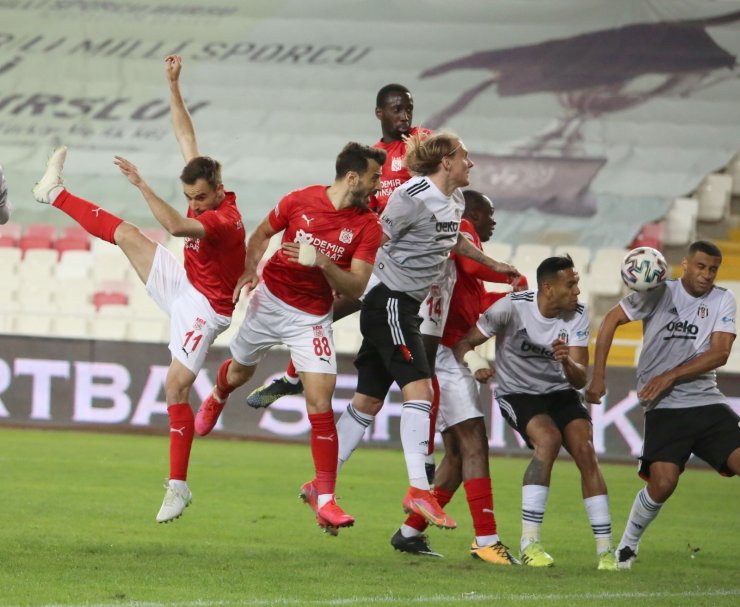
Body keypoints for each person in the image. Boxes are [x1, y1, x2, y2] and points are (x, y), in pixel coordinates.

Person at [30, 55, 247, 524]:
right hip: (187, 283)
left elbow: (173, 224)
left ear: (219, 190)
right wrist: (173, 84)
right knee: (128, 233)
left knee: (175, 386)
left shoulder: (223, 221)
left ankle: (178, 487)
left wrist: (143, 184)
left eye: (200, 197)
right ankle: (53, 193)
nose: (195, 202)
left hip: (206, 309)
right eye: (189, 195)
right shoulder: (205, 186)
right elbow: (185, 133)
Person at [331, 130, 518, 535]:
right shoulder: (411, 197)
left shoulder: (451, 200)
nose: (471, 164)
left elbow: (453, 242)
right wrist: (344, 276)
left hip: (403, 306)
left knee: (366, 401)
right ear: (446, 162)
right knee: (421, 390)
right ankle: (418, 488)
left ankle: (322, 485)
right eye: (465, 157)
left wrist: (496, 264)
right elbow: (377, 237)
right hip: (391, 302)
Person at [193, 142, 386, 533]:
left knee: (321, 400)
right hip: (269, 301)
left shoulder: (368, 226)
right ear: (353, 177)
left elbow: (357, 285)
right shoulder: (299, 201)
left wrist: (323, 261)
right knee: (238, 374)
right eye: (373, 177)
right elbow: (261, 234)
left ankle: (326, 499)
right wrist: (249, 270)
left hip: (311, 317)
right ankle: (217, 396)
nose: (378, 185)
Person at [244, 83, 432, 408]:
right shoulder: (373, 161)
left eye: (408, 109)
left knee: (424, 351)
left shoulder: (421, 143)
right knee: (323, 312)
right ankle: (293, 379)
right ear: (380, 113)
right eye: (397, 109)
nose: (405, 116)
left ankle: (295, 380)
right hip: (375, 256)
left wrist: (423, 162)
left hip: (410, 265)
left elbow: (441, 174)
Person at [454, 255, 618, 570]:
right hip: (518, 393)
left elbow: (581, 377)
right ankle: (530, 543)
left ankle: (606, 551)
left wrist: (566, 361)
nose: (576, 291)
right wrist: (477, 364)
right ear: (548, 287)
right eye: (570, 284)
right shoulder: (510, 308)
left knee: (586, 450)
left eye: (577, 283)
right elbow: (463, 344)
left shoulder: (578, 316)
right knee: (549, 439)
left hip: (560, 391)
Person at [391, 190, 526, 564]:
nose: (493, 220)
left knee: (456, 452)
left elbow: (472, 304)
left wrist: (513, 298)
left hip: (443, 346)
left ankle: (410, 532)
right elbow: (469, 268)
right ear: (473, 213)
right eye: (489, 213)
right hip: (443, 351)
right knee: (474, 443)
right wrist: (506, 272)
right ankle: (486, 539)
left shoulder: (461, 245)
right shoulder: (462, 228)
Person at [586, 240, 738, 569]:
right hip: (665, 407)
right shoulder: (659, 292)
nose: (707, 275)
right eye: (700, 267)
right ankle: (628, 545)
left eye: (713, 269)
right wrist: (598, 377)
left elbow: (720, 352)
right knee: (663, 484)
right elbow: (611, 320)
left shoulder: (723, 299)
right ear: (685, 264)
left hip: (706, 400)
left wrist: (671, 374)